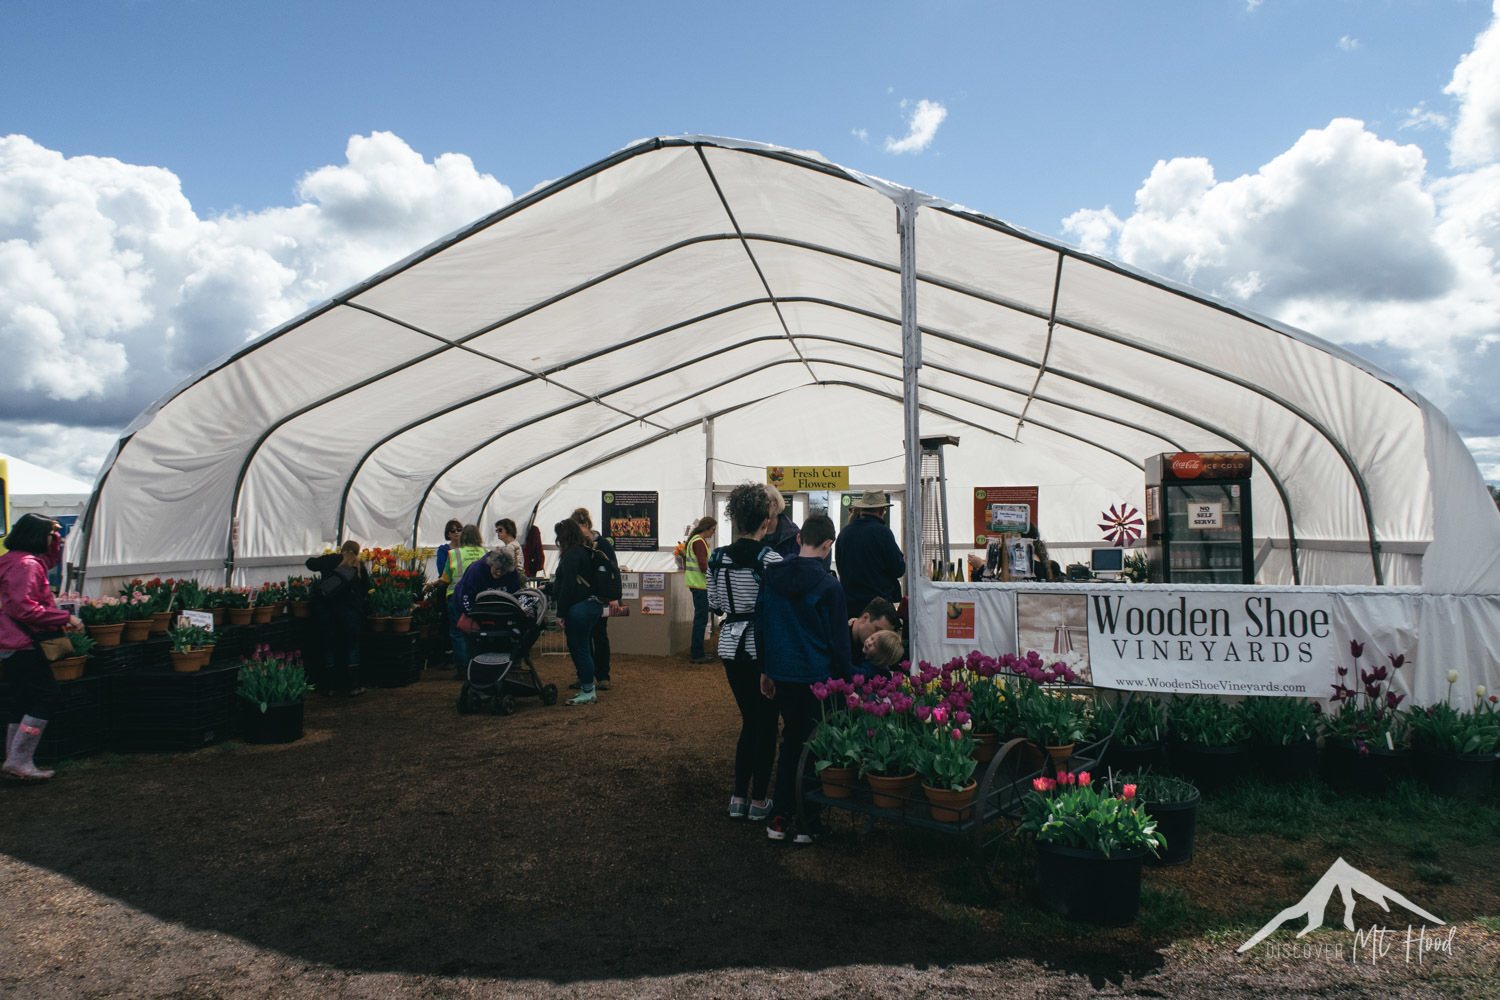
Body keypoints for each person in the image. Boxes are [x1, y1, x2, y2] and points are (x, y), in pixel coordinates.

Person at [759, 513, 849, 844]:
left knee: (791, 742)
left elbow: (762, 623)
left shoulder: (771, 575)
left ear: (799, 539)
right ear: (828, 545)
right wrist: (846, 680)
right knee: (814, 745)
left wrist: (766, 670)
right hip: (817, 676)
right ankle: (808, 821)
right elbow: (838, 640)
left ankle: (780, 816)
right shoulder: (829, 586)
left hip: (782, 672)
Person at [706, 484, 783, 822]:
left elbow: (716, 604)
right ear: (766, 521)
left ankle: (738, 796)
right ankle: (758, 800)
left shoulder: (717, 557)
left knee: (750, 721)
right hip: (761, 647)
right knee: (765, 724)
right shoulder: (772, 560)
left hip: (729, 645)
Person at [0, 514, 81, 781]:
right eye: (50, 535)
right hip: (23, 642)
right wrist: (64, 617)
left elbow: (49, 560)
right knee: (47, 696)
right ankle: (20, 760)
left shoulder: (12, 560)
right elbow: (24, 608)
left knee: (20, 700)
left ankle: (14, 759)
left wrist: (55, 537)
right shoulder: (26, 565)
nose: (53, 539)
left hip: (9, 642)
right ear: (37, 535)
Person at [305, 540, 372, 696]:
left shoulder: (329, 559)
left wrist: (325, 558)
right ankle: (353, 686)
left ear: (342, 549)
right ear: (357, 552)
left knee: (329, 647)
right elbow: (365, 589)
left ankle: (330, 687)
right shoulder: (358, 565)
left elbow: (309, 563)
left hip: (327, 613)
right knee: (351, 647)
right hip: (350, 613)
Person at [554, 519, 605, 706]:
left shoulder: (571, 556)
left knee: (580, 648)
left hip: (578, 608)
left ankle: (587, 689)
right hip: (592, 605)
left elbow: (567, 586)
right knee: (584, 647)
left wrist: (560, 612)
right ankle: (587, 688)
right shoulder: (585, 552)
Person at [834, 489, 906, 619]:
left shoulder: (844, 533)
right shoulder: (882, 533)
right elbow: (899, 569)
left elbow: (840, 567)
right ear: (881, 511)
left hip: (850, 606)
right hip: (878, 608)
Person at [571, 507, 618, 690]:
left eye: (579, 527)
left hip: (599, 597)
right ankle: (585, 675)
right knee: (583, 639)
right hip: (581, 598)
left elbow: (612, 568)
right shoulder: (576, 544)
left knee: (599, 636)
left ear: (586, 525)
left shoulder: (603, 544)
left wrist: (612, 595)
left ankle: (603, 675)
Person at [441, 525, 487, 672]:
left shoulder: (454, 553)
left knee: (457, 632)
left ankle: (463, 668)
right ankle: (478, 665)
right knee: (478, 631)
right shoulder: (486, 553)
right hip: (480, 599)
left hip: (456, 597)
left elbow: (445, 578)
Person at [454, 547, 524, 623]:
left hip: (496, 610)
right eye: (497, 569)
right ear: (491, 564)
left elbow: (516, 593)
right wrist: (471, 615)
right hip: (466, 603)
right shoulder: (476, 570)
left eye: (503, 570)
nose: (499, 573)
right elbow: (466, 595)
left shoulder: (511, 572)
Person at [684, 516, 717, 663]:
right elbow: (704, 566)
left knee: (700, 619)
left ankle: (698, 651)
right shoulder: (699, 542)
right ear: (707, 528)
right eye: (713, 530)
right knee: (700, 620)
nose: (714, 533)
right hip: (700, 585)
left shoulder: (696, 540)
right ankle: (697, 654)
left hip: (696, 585)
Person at [847, 597, 902, 679]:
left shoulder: (873, 656)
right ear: (865, 618)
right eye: (877, 630)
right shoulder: (836, 635)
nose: (879, 638)